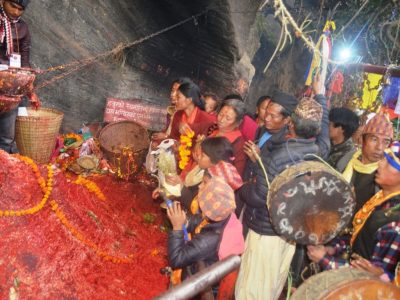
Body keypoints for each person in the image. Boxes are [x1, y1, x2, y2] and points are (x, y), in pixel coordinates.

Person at [235, 94, 328, 300]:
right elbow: (325, 139)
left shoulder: (278, 155)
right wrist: (322, 100)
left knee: (252, 288)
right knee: (273, 285)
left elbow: (260, 197)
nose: (266, 118)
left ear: (290, 123)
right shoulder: (317, 152)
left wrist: (241, 186)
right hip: (290, 232)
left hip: (266, 230)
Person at [307, 150, 400, 282]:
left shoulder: (395, 222)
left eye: (389, 162)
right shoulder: (381, 198)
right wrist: (333, 248)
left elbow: (375, 278)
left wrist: (325, 260)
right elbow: (361, 241)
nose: (380, 164)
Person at [167, 175, 236, 296]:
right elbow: (198, 220)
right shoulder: (220, 215)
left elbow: (176, 260)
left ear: (206, 211)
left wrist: (177, 227)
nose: (200, 186)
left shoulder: (208, 240)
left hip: (199, 287)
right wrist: (184, 221)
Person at [0, 0, 38, 153]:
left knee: (7, 135)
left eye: (20, 9)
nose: (16, 12)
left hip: (12, 85)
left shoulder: (23, 28)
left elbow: (25, 59)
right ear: (2, 1)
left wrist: (28, 83)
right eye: (13, 6)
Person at [342, 112, 393, 212]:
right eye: (374, 139)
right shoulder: (346, 160)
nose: (379, 147)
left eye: (386, 142)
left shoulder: (388, 175)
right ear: (362, 139)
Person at [207, 99, 247, 176]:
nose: (221, 120)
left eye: (228, 118)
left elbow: (235, 176)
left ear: (238, 122)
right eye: (221, 114)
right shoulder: (212, 128)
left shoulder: (239, 145)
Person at [151, 77, 192, 142]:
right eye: (172, 90)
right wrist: (158, 141)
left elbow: (186, 141)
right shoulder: (173, 109)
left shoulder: (188, 114)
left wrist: (165, 137)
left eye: (177, 92)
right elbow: (168, 130)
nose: (172, 94)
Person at [327, 107, 360, 172]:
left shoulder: (348, 156)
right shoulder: (327, 142)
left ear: (341, 128)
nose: (327, 127)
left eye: (329, 124)